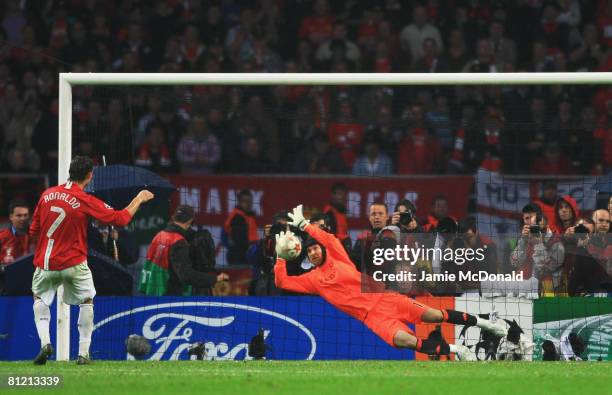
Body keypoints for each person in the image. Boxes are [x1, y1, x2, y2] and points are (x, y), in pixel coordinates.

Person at [274, 205, 506, 360]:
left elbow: (327, 237)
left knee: (434, 316)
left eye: (315, 248)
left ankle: (487, 325)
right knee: (405, 340)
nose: (314, 252)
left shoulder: (337, 255)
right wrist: (279, 257)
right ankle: (457, 350)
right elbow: (282, 281)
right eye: (310, 251)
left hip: (385, 298)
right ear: (306, 255)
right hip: (372, 317)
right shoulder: (312, 280)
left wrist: (305, 225)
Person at [28, 156, 155, 365]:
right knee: (86, 302)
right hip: (74, 262)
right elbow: (121, 219)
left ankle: (44, 343)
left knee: (39, 299)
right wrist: (139, 198)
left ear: (70, 171)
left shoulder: (47, 194)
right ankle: (84, 353)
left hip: (45, 262)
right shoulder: (85, 200)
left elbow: (33, 231)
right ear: (89, 175)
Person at [140, 205, 228, 297]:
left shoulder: (159, 236)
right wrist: (215, 279)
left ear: (173, 218)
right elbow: (186, 276)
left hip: (152, 294)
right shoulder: (178, 241)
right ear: (190, 221)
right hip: (169, 297)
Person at [224, 189, 259, 265]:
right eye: (245, 201)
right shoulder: (238, 218)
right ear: (239, 202)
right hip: (240, 257)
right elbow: (240, 242)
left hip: (246, 255)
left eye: (250, 201)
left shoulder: (248, 216)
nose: (248, 204)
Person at [0, 199, 34, 265]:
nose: (23, 218)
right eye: (19, 215)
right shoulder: (2, 237)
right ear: (11, 217)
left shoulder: (36, 236)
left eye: (25, 215)